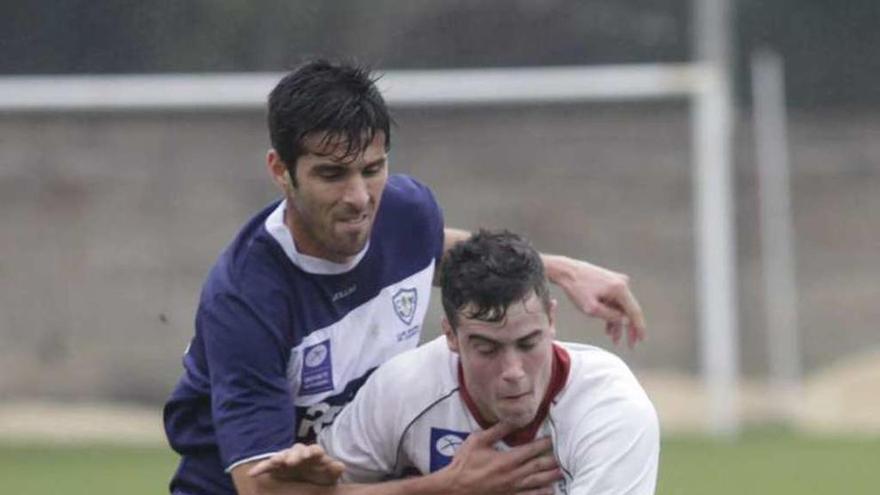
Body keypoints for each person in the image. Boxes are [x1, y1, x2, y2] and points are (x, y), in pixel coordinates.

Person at [163, 59, 647, 495]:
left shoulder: (404, 213)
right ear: (280, 169)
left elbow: (440, 253)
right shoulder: (246, 302)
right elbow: (267, 494)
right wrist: (448, 487)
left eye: (372, 169)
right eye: (332, 175)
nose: (359, 198)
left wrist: (560, 269)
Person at [251, 230, 660, 495]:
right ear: (450, 335)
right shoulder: (405, 388)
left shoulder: (610, 409)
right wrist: (442, 487)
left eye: (528, 342)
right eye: (487, 348)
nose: (513, 371)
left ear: (552, 320)